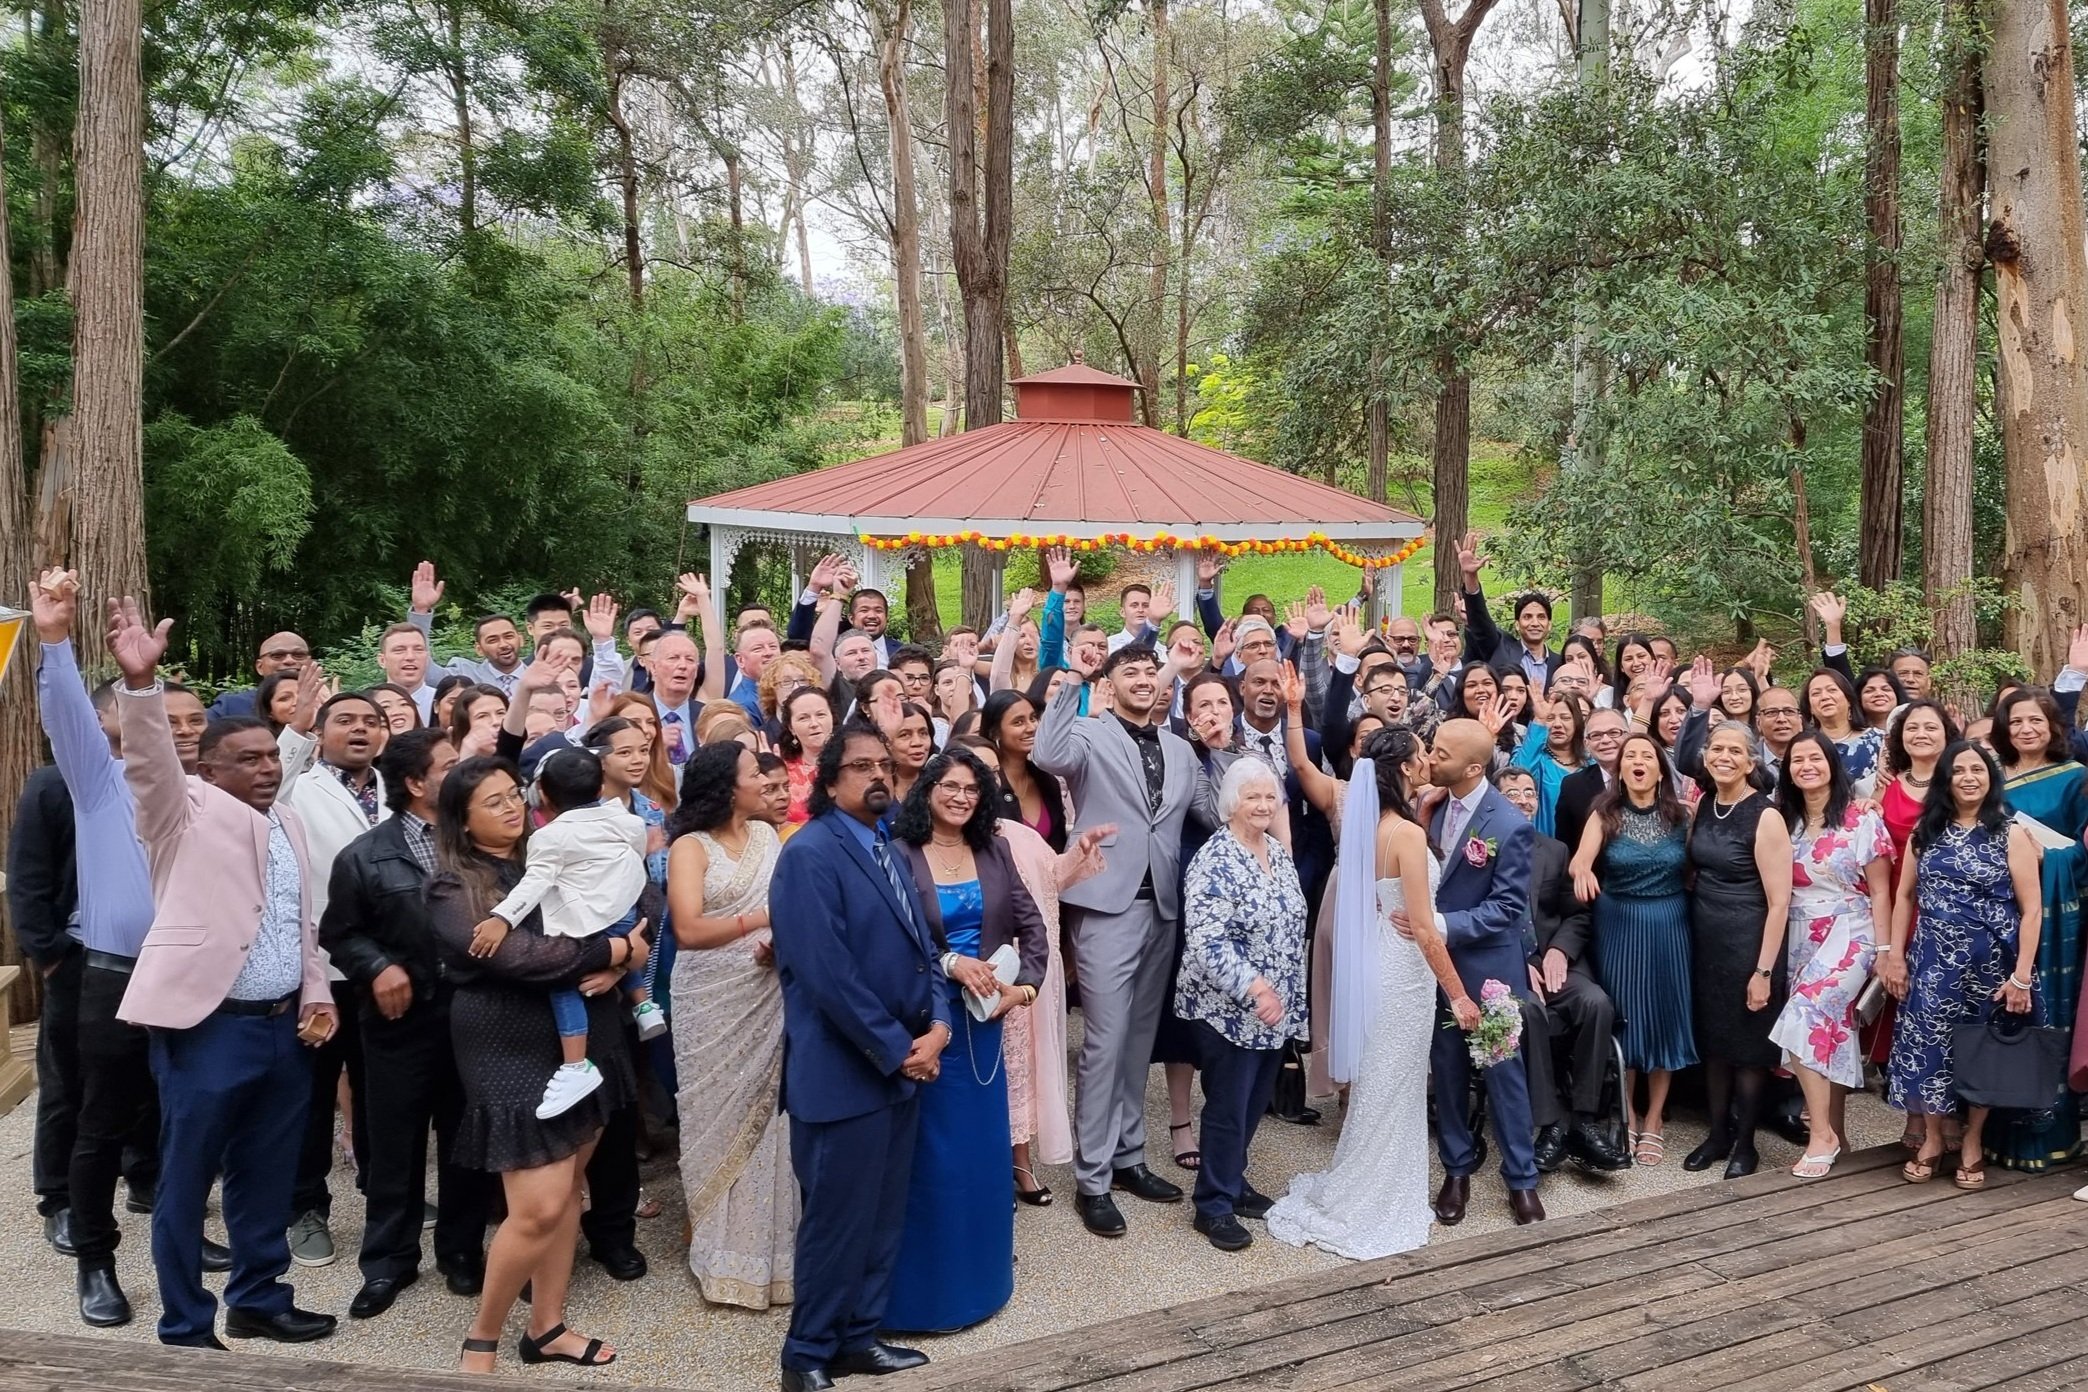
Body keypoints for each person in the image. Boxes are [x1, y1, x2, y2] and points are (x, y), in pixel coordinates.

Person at [105, 595, 340, 1349]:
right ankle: (184, 1322)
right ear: (206, 768)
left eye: (273, 757)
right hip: (206, 1030)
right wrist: (141, 687)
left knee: (266, 1175)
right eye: (250, 758)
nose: (268, 768)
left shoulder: (290, 821)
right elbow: (148, 762)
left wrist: (315, 990)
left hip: (281, 1029)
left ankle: (259, 1298)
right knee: (187, 1179)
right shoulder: (178, 813)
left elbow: (296, 922)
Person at [23, 570, 208, 1329]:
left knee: (184, 1118)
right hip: (114, 978)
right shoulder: (99, 787)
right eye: (162, 717)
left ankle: (183, 1236)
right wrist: (58, 640)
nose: (178, 731)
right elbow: (67, 716)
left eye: (190, 721)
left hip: (198, 981)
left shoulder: (213, 797)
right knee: (100, 1122)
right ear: (134, 725)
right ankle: (96, 1259)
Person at [428, 757, 644, 1374]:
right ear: (463, 824)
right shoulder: (453, 886)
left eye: (511, 795)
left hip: (586, 1034)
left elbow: (638, 891)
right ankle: (481, 1341)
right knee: (540, 1206)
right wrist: (615, 948)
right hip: (506, 1043)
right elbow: (519, 957)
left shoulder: (560, 845)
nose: (510, 807)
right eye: (491, 802)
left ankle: (546, 1327)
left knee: (571, 1192)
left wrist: (626, 953)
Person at [769, 726, 950, 1392]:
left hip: (903, 1066)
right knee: (836, 1223)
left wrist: (937, 1025)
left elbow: (927, 949)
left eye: (885, 764)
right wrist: (899, 1048)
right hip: (844, 1073)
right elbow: (827, 975)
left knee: (881, 1216)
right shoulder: (809, 855)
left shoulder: (887, 844)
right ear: (829, 777)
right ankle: (807, 1353)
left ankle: (858, 1337)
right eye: (862, 765)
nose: (878, 774)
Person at [1267, 728, 1480, 1257]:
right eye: (1422, 753)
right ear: (1405, 768)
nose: (1430, 758)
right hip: (1404, 971)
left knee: (1387, 1083)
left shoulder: (1374, 826)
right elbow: (1427, 932)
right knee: (1391, 1084)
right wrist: (1459, 995)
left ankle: (1376, 1185)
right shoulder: (1405, 835)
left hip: (1382, 959)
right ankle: (1371, 1197)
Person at [319, 729, 492, 1315]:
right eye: (449, 765)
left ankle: (464, 1252)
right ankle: (388, 1262)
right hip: (399, 1022)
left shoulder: (480, 846)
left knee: (468, 1141)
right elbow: (338, 933)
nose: (461, 771)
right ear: (417, 784)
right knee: (394, 1143)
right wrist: (377, 967)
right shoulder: (366, 855)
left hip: (473, 1016)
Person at [1031, 643, 1198, 1239]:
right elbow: (1046, 752)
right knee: (1103, 1039)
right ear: (1110, 682)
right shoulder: (1090, 732)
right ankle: (1093, 1177)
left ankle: (1130, 1157)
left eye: (1152, 671)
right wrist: (1074, 679)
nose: (1145, 679)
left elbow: (1204, 811)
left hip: (1163, 907)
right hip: (1106, 903)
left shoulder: (1181, 749)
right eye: (1131, 671)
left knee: (1139, 1039)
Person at [886, 749, 1047, 1323]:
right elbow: (892, 940)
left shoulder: (993, 849)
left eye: (972, 789)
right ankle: (923, 1296)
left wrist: (1022, 991)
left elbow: (1032, 928)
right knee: (933, 1161)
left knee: (981, 1158)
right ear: (927, 788)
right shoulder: (899, 855)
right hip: (929, 1020)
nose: (960, 796)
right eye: (949, 785)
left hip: (988, 1021)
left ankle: (981, 1284)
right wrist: (951, 961)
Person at [666, 742, 794, 1310]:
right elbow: (688, 930)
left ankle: (779, 1254)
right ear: (725, 786)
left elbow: (793, 902)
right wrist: (764, 918)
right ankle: (720, 1251)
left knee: (771, 1120)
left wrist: (779, 938)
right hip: (709, 999)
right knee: (713, 1114)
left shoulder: (769, 837)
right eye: (752, 774)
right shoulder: (689, 848)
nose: (765, 782)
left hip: (768, 989)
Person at [1883, 741, 2041, 1190]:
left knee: (1983, 1050)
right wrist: (1895, 955)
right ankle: (1932, 1137)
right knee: (1929, 1046)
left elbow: (2032, 910)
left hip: (1993, 963)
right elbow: (1904, 896)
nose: (1969, 777)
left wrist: (2022, 976)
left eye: (1978, 769)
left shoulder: (2010, 832)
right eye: (1959, 770)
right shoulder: (1925, 831)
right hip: (1932, 961)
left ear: (1991, 778)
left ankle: (1972, 1139)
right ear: (1945, 780)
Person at [466, 747, 657, 1119]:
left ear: (545, 797)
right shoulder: (627, 821)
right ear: (601, 785)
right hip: (623, 910)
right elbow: (635, 860)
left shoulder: (549, 837)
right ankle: (644, 1005)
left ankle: (575, 1066)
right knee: (625, 943)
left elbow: (535, 883)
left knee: (564, 981)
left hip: (582, 922)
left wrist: (502, 918)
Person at [1170, 760, 1306, 1251]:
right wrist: (1256, 988)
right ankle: (1213, 1206)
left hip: (1274, 1011)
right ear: (1231, 803)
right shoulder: (1215, 858)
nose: (1264, 806)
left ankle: (1232, 1180)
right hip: (1227, 1008)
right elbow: (1208, 943)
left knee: (1252, 1103)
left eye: (1270, 797)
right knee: (1228, 1107)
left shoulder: (1275, 850)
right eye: (1253, 797)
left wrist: (1286, 995)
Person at [278, 691, 391, 1272]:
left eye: (372, 722)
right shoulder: (297, 786)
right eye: (345, 720)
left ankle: (381, 1191)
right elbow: (267, 786)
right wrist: (293, 733)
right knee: (312, 1094)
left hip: (386, 967)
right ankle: (305, 1207)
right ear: (320, 734)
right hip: (320, 969)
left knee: (378, 1090)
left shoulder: (396, 789)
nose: (360, 730)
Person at [1426, 718, 1544, 1224]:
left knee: (1504, 1075)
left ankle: (1521, 1178)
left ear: (1474, 767)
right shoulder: (1428, 809)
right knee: (1447, 1070)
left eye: (1439, 752)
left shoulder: (1509, 825)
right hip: (1435, 967)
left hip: (1490, 968)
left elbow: (1507, 907)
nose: (1429, 758)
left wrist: (1439, 925)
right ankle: (1456, 1169)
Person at [1770, 731, 1892, 1179]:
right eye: (1797, 759)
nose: (1806, 765)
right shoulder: (1784, 820)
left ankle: (1820, 1134)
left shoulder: (1861, 819)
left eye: (1815, 757)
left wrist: (1884, 950)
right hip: (1800, 932)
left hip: (1851, 929)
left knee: (1805, 1014)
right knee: (1829, 1030)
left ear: (1831, 764)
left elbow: (1880, 891)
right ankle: (1838, 1132)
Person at [1570, 730, 1694, 1167]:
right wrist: (1583, 871)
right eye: (1630, 756)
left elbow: (1697, 869)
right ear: (1619, 769)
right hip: (1618, 923)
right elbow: (1580, 860)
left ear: (1661, 769)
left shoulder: (1683, 816)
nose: (1639, 761)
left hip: (1670, 923)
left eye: (1648, 755)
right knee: (1625, 1015)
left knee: (1665, 1015)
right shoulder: (1605, 814)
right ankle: (1628, 1112)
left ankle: (1655, 1118)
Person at [1496, 767, 1629, 1174]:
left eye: (1529, 792)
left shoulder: (1554, 849)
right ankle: (1550, 1124)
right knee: (1529, 1012)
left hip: (1557, 963)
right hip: (1506, 967)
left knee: (1596, 1003)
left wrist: (1558, 951)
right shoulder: (1479, 849)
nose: (1522, 799)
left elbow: (1577, 913)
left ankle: (1586, 1122)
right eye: (1512, 792)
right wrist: (1521, 962)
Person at [1682, 721, 1791, 1179]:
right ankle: (1718, 1133)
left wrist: (1763, 971)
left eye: (1734, 750)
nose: (1723, 756)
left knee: (1747, 1047)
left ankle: (1746, 1143)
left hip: (1750, 942)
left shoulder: (1765, 815)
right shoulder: (1705, 804)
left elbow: (1780, 900)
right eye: (1716, 748)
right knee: (1715, 1044)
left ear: (1751, 761)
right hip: (1706, 940)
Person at [1986, 686, 2088, 1171]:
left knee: (2047, 1016)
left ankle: (2049, 1136)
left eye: (2036, 721)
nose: (2027, 729)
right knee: (1999, 1017)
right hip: (1995, 914)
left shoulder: (2076, 779)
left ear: (2053, 726)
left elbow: (2085, 851)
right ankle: (1995, 1133)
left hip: (2052, 915)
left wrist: (2050, 856)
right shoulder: (1988, 777)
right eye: (2017, 721)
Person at [981, 690, 1070, 851]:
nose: (1031, 728)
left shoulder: (1047, 781)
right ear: (994, 732)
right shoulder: (984, 783)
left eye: (1033, 718)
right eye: (1018, 722)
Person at [1512, 691, 1590, 838]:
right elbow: (1518, 777)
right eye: (1550, 718)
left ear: (1577, 722)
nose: (1557, 724)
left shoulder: (1591, 764)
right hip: (1544, 851)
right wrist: (1540, 720)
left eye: (1566, 718)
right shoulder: (1533, 758)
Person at [1554, 706, 1625, 860]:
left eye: (1614, 733)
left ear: (1629, 736)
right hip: (1593, 880)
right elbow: (1566, 845)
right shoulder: (1572, 786)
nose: (1606, 740)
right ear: (1586, 743)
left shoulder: (1648, 777)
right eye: (1596, 735)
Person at [1799, 666, 1883, 796]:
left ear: (1849, 699)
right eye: (1816, 693)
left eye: (1832, 690)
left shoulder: (1879, 741)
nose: (1824, 697)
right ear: (1810, 707)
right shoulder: (1803, 747)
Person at [206, 631, 312, 719]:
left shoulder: (324, 700)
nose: (289, 660)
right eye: (277, 655)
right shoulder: (232, 706)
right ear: (260, 667)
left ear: (310, 662)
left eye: (299, 655)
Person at [777, 686, 837, 823]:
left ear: (832, 718)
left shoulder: (852, 762)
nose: (814, 723)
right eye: (804, 718)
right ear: (791, 728)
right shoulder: (783, 772)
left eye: (821, 715)